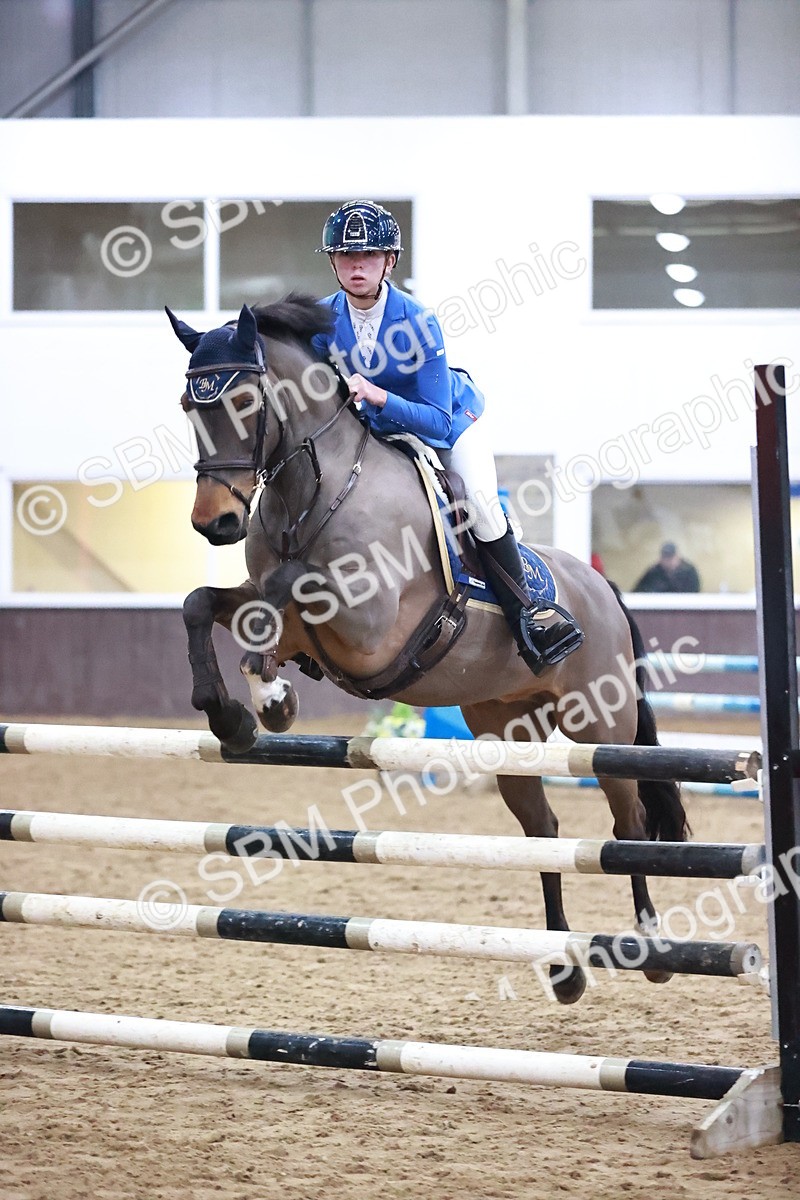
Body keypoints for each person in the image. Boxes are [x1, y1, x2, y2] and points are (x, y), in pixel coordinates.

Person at [310, 199, 584, 676]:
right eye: (346, 255)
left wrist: (377, 396)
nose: (357, 265)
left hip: (447, 426)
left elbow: (436, 421)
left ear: (389, 262)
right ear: (332, 261)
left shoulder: (418, 320)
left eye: (369, 255)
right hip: (373, 439)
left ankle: (527, 617)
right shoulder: (320, 320)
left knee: (479, 506)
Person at [633, 541, 701, 593]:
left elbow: (694, 592)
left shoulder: (689, 571)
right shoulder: (654, 572)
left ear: (677, 557)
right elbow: (638, 591)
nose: (668, 561)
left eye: (670, 558)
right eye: (665, 557)